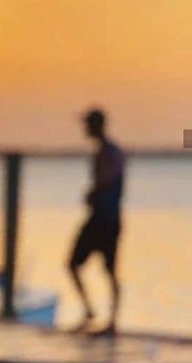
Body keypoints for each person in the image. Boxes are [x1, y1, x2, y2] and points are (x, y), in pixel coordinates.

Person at [68, 108, 125, 335]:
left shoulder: (111, 153)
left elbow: (107, 181)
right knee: (73, 264)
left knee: (110, 271)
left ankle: (111, 322)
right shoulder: (103, 152)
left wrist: (93, 192)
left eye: (88, 124)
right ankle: (89, 311)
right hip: (98, 218)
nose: (85, 129)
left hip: (107, 220)